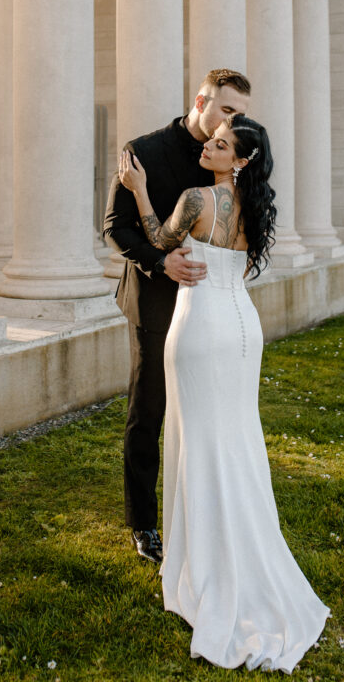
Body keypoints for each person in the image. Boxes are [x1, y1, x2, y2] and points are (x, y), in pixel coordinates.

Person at [118, 113, 330, 674]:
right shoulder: (255, 209)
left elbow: (160, 241)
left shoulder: (195, 199)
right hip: (242, 330)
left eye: (221, 144)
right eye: (212, 139)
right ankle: (242, 548)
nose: (208, 145)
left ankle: (208, 568)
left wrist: (140, 191)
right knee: (235, 438)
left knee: (201, 443)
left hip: (201, 329)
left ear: (239, 160)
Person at [103, 70, 251, 564]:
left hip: (210, 305)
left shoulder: (229, 157)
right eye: (226, 111)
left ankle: (201, 513)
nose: (230, 122)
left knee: (207, 413)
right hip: (155, 300)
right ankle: (143, 523)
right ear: (200, 100)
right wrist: (158, 260)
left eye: (239, 116)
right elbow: (115, 227)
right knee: (149, 410)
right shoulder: (142, 149)